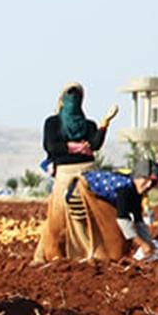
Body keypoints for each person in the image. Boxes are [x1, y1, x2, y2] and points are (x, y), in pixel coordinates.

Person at [33, 83, 122, 263]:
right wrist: (73, 147)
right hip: (65, 174)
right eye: (70, 97)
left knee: (100, 209)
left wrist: (105, 123)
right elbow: (51, 146)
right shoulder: (53, 124)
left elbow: (95, 145)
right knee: (57, 215)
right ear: (63, 100)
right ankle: (48, 254)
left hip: (87, 172)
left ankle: (98, 249)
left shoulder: (88, 125)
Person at [82, 165, 158, 259]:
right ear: (137, 177)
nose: (149, 185)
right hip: (88, 187)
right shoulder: (124, 189)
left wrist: (149, 242)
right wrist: (142, 244)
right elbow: (123, 219)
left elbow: (138, 219)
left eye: (152, 183)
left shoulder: (137, 192)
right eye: (145, 179)